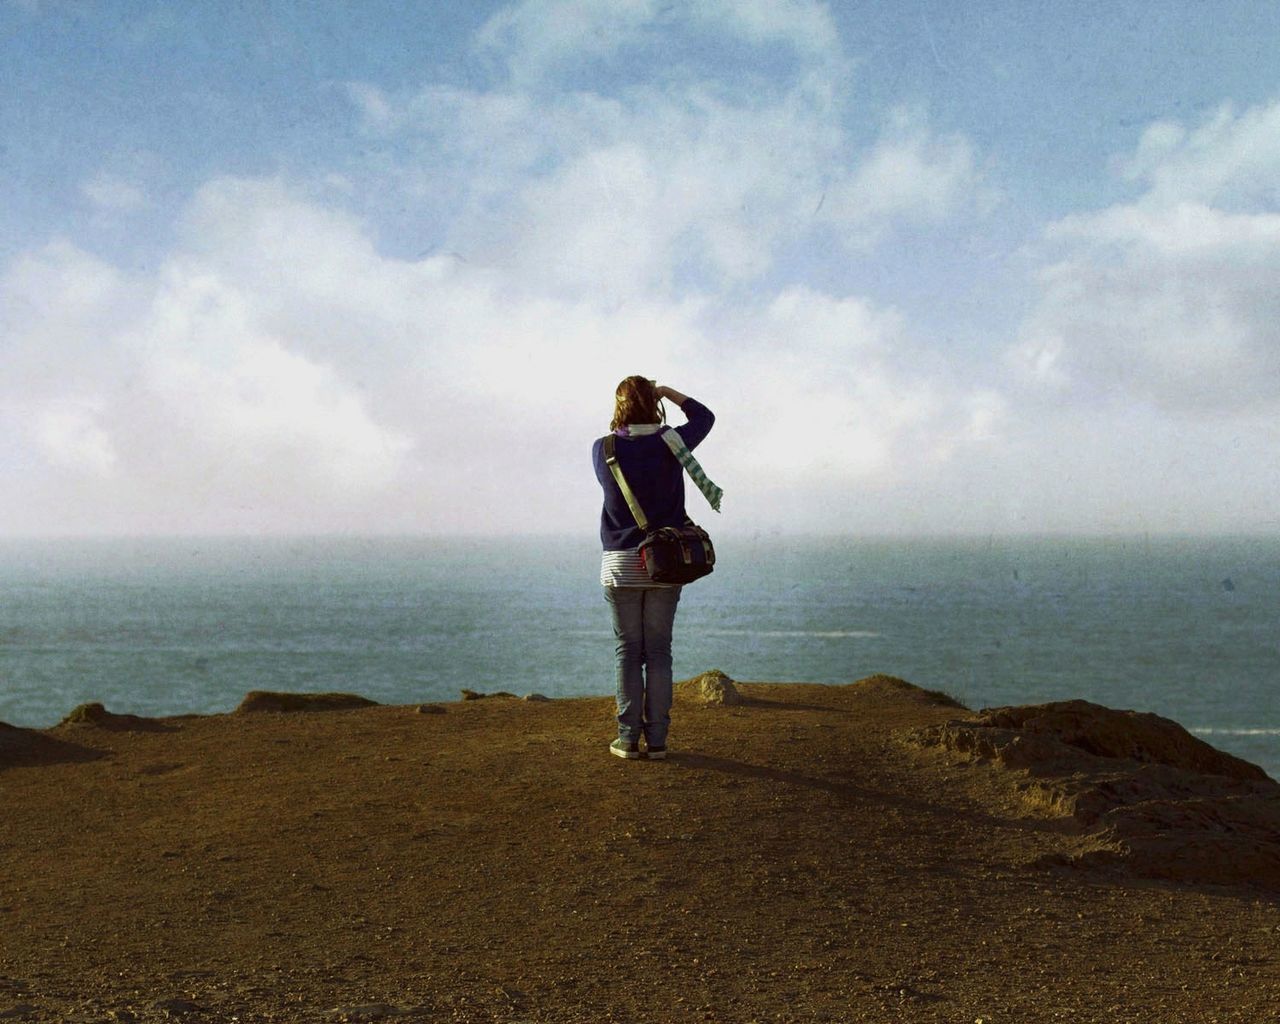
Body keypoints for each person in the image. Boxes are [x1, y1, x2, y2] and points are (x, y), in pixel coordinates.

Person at [592, 376, 715, 760]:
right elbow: (704, 416)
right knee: (659, 651)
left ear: (619, 406)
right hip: (663, 563)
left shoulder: (603, 448)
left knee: (628, 651)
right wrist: (666, 393)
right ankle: (658, 740)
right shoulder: (670, 444)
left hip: (619, 564)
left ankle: (627, 739)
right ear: (653, 404)